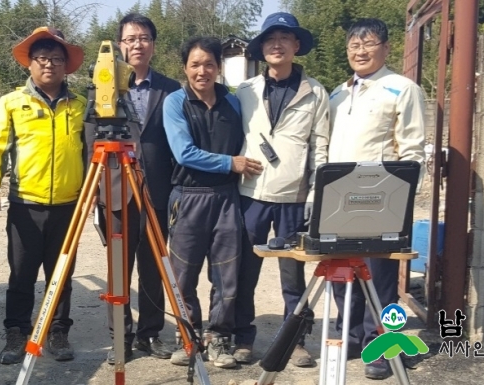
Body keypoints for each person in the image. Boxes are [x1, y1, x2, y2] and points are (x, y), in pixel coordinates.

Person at [0, 26, 87, 365]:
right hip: (26, 205)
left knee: (62, 275)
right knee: (22, 274)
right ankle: (16, 332)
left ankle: (58, 331)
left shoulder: (81, 106)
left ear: (66, 66)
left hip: (69, 206)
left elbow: (91, 152)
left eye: (56, 59)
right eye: (42, 59)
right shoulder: (11, 103)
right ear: (30, 64)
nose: (49, 65)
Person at [231, 11, 331, 367]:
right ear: (262, 48)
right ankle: (243, 338)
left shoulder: (315, 92)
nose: (277, 44)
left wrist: (316, 195)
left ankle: (296, 340)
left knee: (293, 275)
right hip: (251, 194)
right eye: (270, 39)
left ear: (296, 45)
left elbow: (321, 147)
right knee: (246, 272)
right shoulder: (246, 91)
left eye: (284, 38)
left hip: (294, 197)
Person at [328, 18, 426, 379]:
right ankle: (352, 337)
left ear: (385, 48)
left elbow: (413, 150)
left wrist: (398, 198)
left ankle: (382, 347)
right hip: (338, 200)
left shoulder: (402, 89)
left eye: (368, 44)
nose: (360, 51)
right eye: (354, 45)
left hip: (381, 201)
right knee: (342, 276)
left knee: (381, 280)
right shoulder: (338, 93)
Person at [85, 13, 181, 365]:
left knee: (153, 268)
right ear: (120, 45)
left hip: (156, 190)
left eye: (143, 38)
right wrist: (93, 187)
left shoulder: (171, 90)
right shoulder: (101, 86)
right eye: (130, 39)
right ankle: (120, 338)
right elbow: (89, 140)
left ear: (153, 45)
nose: (136, 44)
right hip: (114, 190)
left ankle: (150, 334)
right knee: (117, 270)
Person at [163, 36, 263, 369]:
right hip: (188, 199)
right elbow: (183, 153)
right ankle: (187, 336)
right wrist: (229, 163)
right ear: (185, 68)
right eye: (195, 64)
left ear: (218, 68)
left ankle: (219, 338)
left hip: (226, 198)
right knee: (183, 275)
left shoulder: (233, 103)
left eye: (209, 64)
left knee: (226, 276)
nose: (202, 71)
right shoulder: (175, 103)